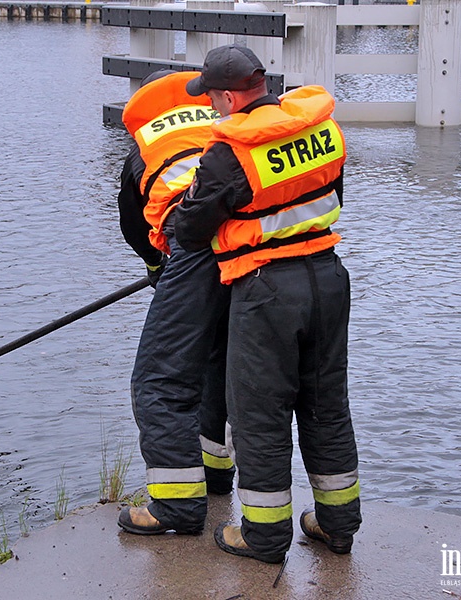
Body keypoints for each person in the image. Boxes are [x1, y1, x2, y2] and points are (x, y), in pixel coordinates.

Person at [174, 45, 362, 563]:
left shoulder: (228, 152)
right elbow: (328, 194)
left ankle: (263, 535)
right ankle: (338, 525)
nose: (213, 108)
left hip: (265, 291)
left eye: (213, 99)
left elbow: (191, 230)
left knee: (260, 414)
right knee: (326, 405)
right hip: (328, 279)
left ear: (230, 96)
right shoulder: (323, 130)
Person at [115, 70, 234, 536]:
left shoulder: (147, 148)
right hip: (251, 254)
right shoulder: (222, 124)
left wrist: (155, 268)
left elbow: (133, 222)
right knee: (216, 363)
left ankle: (176, 506)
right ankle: (217, 475)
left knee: (159, 379)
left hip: (192, 251)